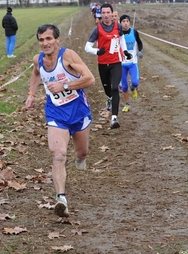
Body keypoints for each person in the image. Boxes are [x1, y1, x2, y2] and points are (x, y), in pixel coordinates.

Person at [25, 24, 95, 218]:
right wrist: (31, 94)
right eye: (41, 40)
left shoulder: (68, 56)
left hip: (78, 111)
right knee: (58, 154)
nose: (45, 43)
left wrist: (64, 85)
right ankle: (61, 199)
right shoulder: (38, 60)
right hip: (56, 113)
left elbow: (90, 79)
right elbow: (36, 73)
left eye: (48, 39)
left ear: (57, 39)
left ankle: (80, 158)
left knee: (82, 152)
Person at [85, 3, 131, 129]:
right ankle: (109, 98)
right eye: (103, 13)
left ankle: (114, 118)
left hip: (116, 62)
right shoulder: (97, 29)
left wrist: (125, 51)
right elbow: (87, 47)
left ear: (112, 14)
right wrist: (97, 51)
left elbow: (121, 40)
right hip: (103, 64)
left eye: (107, 13)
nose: (105, 15)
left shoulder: (118, 26)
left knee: (115, 88)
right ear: (101, 14)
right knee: (108, 90)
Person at [119, 14, 143, 112]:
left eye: (127, 21)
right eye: (123, 21)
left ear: (129, 22)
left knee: (135, 82)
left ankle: (133, 89)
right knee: (124, 86)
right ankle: (127, 104)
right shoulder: (118, 33)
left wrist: (140, 51)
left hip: (133, 63)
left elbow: (140, 42)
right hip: (121, 64)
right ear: (120, 23)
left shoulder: (134, 32)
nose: (125, 23)